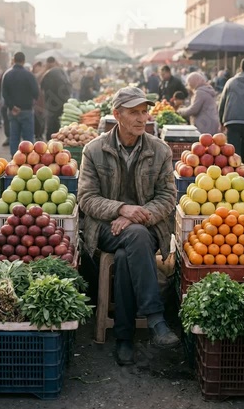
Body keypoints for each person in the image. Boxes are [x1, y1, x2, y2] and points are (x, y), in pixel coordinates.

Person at [77, 86, 179, 366]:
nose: (141, 118)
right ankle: (156, 319)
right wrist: (121, 209)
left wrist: (137, 214)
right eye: (134, 112)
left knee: (128, 251)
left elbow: (168, 197)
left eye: (144, 111)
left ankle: (124, 336)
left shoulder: (160, 150)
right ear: (117, 115)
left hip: (147, 229)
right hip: (105, 230)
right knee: (132, 237)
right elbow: (86, 198)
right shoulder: (94, 150)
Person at [2, 52, 39, 156]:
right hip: (26, 110)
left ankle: (15, 159)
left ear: (13, 60)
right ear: (23, 60)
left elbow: (4, 93)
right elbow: (36, 91)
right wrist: (32, 102)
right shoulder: (29, 75)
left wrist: (12, 106)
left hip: (13, 111)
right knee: (28, 138)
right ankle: (29, 159)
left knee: (14, 136)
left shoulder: (7, 74)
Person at [40, 57, 72, 141]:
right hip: (63, 102)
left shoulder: (49, 73)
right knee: (59, 124)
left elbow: (43, 88)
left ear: (48, 63)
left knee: (51, 125)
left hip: (52, 104)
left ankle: (50, 141)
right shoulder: (62, 71)